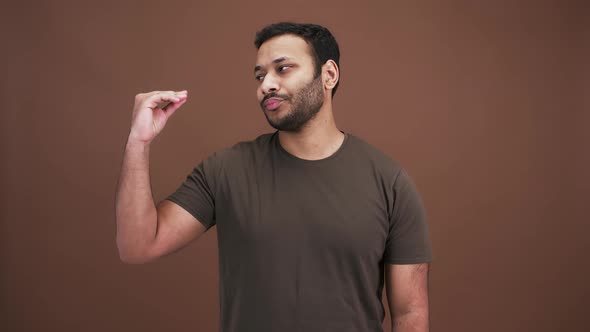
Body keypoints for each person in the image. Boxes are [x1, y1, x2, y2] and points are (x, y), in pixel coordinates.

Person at [115, 22, 432, 332]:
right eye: (260, 75)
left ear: (329, 75)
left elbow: (410, 314)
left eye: (283, 69)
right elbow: (138, 245)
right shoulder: (226, 170)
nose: (266, 84)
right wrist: (138, 142)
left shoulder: (390, 183)